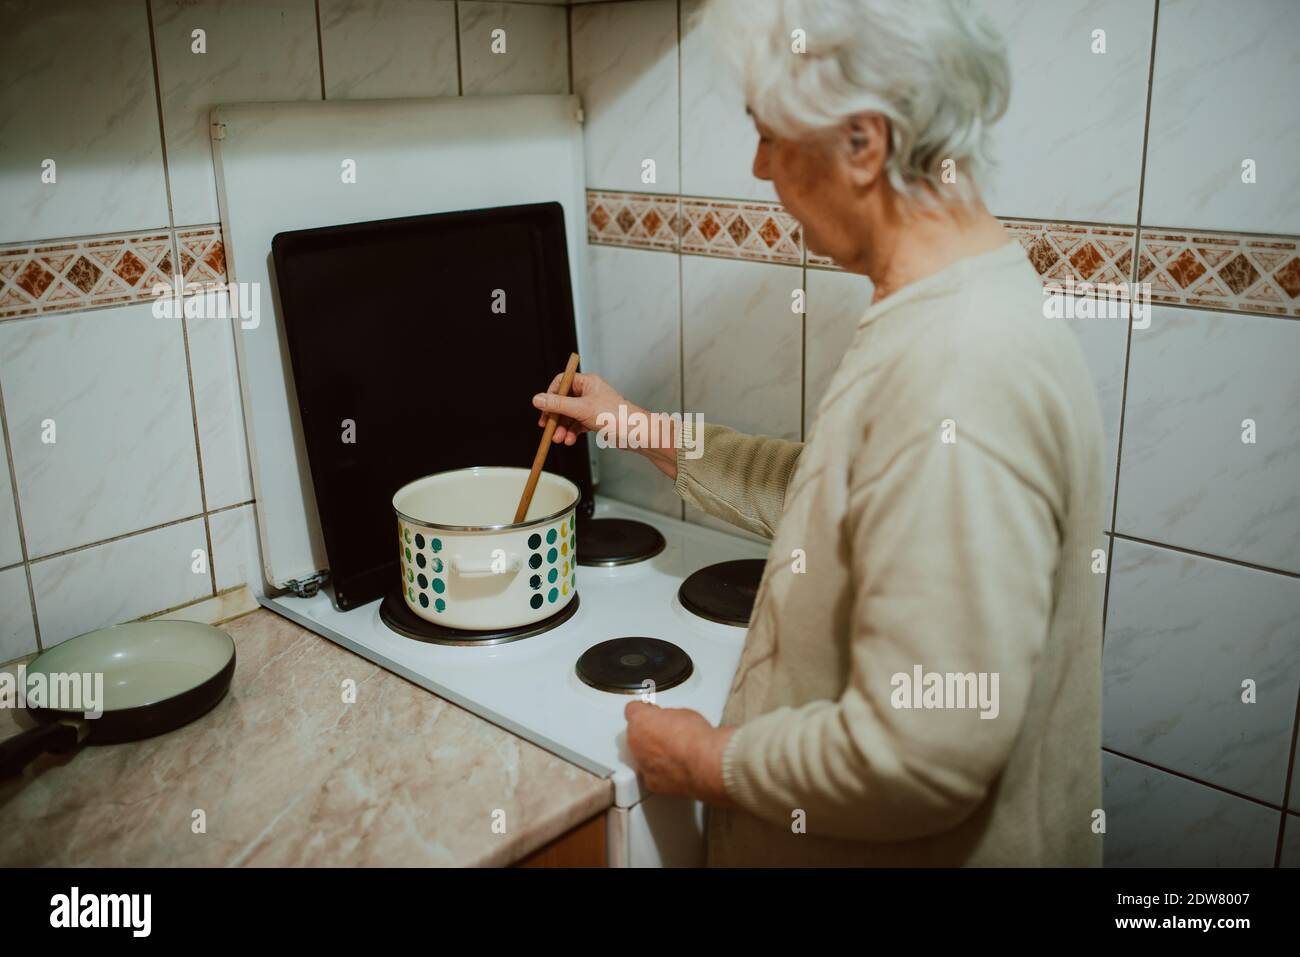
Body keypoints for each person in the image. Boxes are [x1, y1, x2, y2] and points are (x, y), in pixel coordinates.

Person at [534, 0, 1105, 866]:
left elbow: (922, 751)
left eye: (768, 133)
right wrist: (641, 427)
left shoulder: (960, 368)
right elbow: (837, 496)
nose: (758, 164)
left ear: (863, 142)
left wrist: (704, 759)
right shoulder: (962, 306)